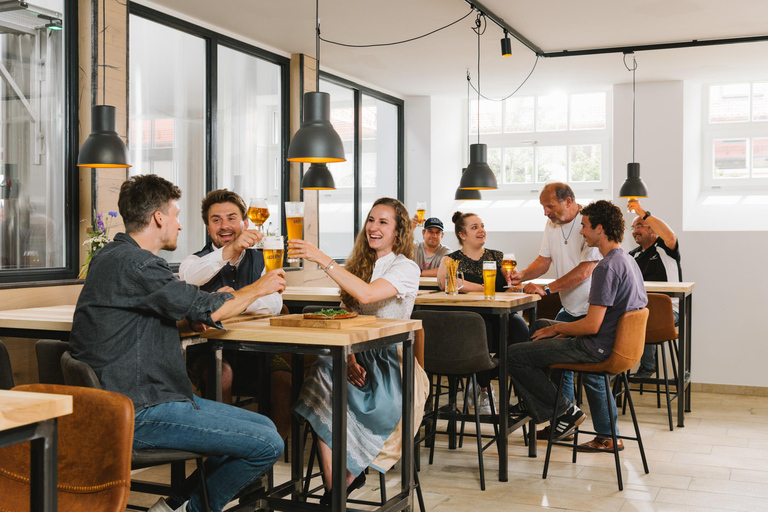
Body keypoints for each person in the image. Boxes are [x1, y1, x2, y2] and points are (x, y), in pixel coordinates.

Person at [69, 175, 286, 512]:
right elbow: (211, 306)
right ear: (159, 218)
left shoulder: (113, 256)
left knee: (264, 426)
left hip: (126, 401)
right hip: (141, 410)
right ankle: (193, 510)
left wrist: (189, 317)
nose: (180, 225)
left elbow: (148, 312)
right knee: (267, 442)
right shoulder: (139, 264)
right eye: (175, 215)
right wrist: (260, 288)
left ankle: (173, 506)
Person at [289, 197, 429, 505]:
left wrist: (322, 259)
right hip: (352, 352)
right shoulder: (358, 265)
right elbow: (347, 316)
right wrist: (350, 355)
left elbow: (366, 294)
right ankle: (336, 485)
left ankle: (339, 484)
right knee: (326, 367)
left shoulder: (406, 267)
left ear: (398, 232)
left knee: (326, 369)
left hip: (392, 362)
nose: (374, 228)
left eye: (383, 222)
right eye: (371, 220)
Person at [507, 200, 647, 443]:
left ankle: (563, 410)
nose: (581, 232)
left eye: (584, 226)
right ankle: (544, 406)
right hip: (612, 342)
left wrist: (558, 329)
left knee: (514, 355)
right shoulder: (628, 260)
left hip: (597, 347)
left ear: (599, 229)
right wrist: (554, 330)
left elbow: (592, 325)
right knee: (539, 328)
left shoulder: (605, 267)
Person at [178, 189, 291, 439]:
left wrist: (232, 300)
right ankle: (223, 448)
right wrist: (231, 255)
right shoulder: (192, 262)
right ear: (208, 228)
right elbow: (190, 279)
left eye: (231, 218)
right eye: (216, 220)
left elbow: (274, 302)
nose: (224, 225)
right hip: (205, 350)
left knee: (283, 378)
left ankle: (272, 451)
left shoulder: (264, 259)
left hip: (253, 349)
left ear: (245, 223)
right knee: (222, 373)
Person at [505, 182, 601, 438]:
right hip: (569, 306)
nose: (546, 212)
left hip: (593, 309)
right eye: (543, 207)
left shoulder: (588, 224)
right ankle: (564, 420)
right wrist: (522, 275)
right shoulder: (551, 225)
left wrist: (547, 290)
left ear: (568, 201)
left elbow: (585, 271)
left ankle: (608, 436)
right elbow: (544, 261)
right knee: (554, 360)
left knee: (593, 378)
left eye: (550, 206)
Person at [436, 211, 530, 415]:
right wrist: (483, 287)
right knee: (480, 329)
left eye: (482, 226)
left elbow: (510, 284)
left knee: (521, 330)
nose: (481, 230)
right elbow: (446, 283)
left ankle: (479, 378)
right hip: (468, 321)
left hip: (500, 315)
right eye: (474, 227)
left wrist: (514, 282)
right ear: (462, 234)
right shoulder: (450, 260)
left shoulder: (497, 256)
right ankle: (484, 388)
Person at [627, 198, 682, 378]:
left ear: (652, 230)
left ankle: (648, 367)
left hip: (669, 312)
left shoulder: (665, 248)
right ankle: (614, 371)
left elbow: (670, 235)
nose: (635, 231)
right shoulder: (632, 256)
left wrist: (643, 213)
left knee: (645, 316)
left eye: (640, 226)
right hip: (641, 310)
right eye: (633, 228)